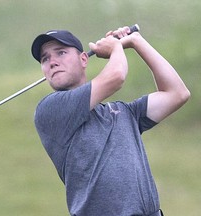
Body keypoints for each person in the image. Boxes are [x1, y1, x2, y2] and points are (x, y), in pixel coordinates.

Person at [31, 26, 190, 216]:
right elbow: (116, 77)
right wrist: (116, 48)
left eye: (61, 53)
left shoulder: (124, 112)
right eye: (45, 58)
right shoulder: (50, 110)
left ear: (83, 59)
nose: (52, 62)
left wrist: (136, 41)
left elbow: (177, 93)